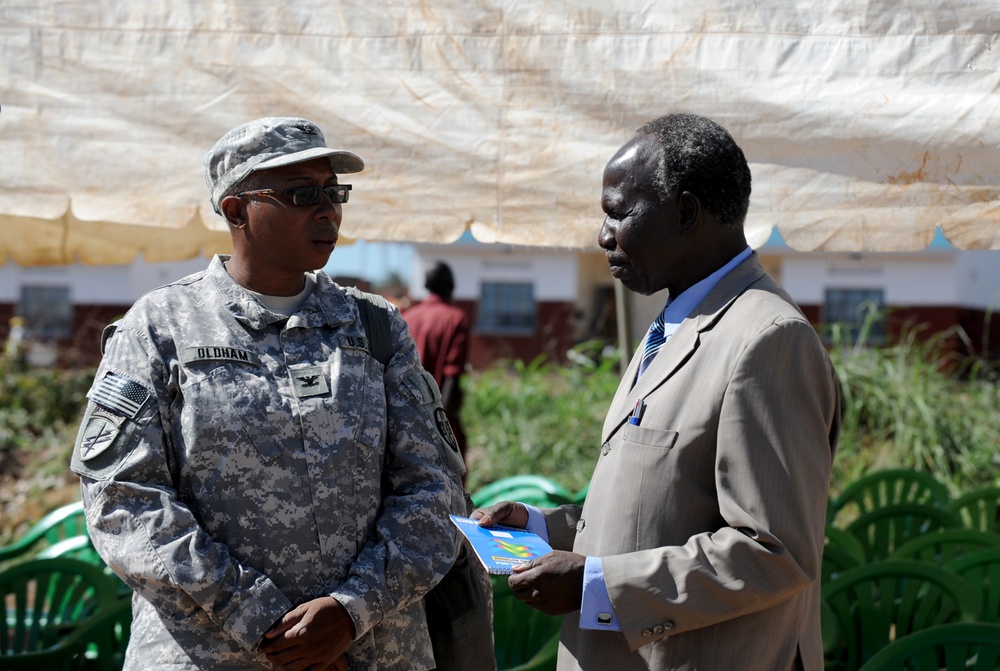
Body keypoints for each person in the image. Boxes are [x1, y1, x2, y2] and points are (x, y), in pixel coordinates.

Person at [70, 117, 467, 671]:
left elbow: (435, 488)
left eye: (334, 193)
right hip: (213, 654)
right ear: (236, 210)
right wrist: (264, 623)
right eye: (303, 194)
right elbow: (122, 497)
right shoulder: (161, 328)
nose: (327, 210)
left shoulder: (375, 327)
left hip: (370, 651)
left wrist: (350, 612)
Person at [474, 113, 841, 671]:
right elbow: (662, 509)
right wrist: (539, 526)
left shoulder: (768, 339)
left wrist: (598, 585)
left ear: (686, 214)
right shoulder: (674, 325)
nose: (603, 235)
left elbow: (775, 552)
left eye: (618, 213)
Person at [403, 262, 470, 472]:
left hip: (405, 421)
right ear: (450, 287)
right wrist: (442, 428)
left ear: (426, 285)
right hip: (439, 418)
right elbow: (452, 375)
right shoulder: (455, 318)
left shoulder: (406, 317)